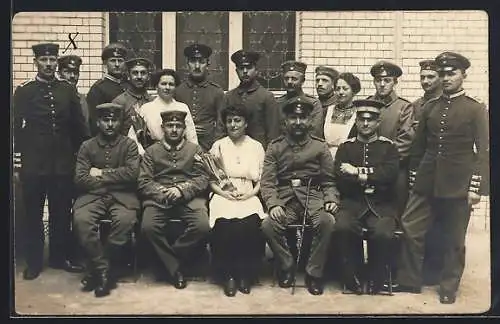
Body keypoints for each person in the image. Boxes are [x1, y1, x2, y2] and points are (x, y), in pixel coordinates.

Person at [394, 52, 489, 304]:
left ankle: (448, 286)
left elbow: (484, 151)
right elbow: (418, 147)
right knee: (411, 225)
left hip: (458, 182)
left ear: (463, 75)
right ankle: (410, 280)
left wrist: (475, 187)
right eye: (443, 74)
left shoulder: (475, 108)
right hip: (427, 179)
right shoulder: (429, 107)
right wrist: (415, 178)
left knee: (454, 237)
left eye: (451, 73)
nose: (446, 78)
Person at [13, 43, 89, 280]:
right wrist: (17, 162)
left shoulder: (67, 90)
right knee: (33, 214)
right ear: (35, 62)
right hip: (34, 164)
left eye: (52, 60)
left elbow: (79, 127)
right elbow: (15, 129)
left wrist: (82, 157)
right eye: (44, 60)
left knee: (61, 212)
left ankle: (59, 257)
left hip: (63, 163)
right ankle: (34, 262)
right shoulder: (24, 91)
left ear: (57, 62)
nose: (48, 64)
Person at [260, 96, 339, 296]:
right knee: (268, 225)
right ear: (285, 121)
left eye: (302, 118)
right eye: (293, 118)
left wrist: (330, 199)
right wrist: (273, 204)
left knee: (327, 222)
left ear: (309, 121)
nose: (297, 122)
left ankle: (314, 272)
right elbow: (268, 182)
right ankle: (287, 265)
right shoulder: (275, 146)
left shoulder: (320, 146)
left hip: (313, 198)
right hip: (286, 200)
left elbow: (329, 181)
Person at [73, 103, 140, 297]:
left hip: (124, 198)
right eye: (106, 120)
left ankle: (97, 270)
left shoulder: (129, 145)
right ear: (98, 122)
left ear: (120, 122)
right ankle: (104, 271)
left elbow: (132, 174)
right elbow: (80, 178)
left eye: (114, 120)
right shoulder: (87, 146)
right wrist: (114, 180)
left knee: (125, 222)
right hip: (92, 197)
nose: (110, 124)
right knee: (82, 221)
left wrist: (100, 173)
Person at [334, 99, 400, 295]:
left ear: (378, 123)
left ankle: (376, 276)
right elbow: (340, 176)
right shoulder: (345, 147)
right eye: (361, 119)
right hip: (352, 203)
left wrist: (357, 172)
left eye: (370, 120)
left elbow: (389, 175)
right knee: (342, 227)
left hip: (382, 205)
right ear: (356, 121)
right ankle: (352, 275)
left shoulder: (388, 147)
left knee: (382, 232)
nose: (365, 124)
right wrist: (372, 175)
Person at [139, 110, 210, 289]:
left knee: (202, 226)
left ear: (184, 129)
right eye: (170, 126)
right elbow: (144, 181)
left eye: (178, 126)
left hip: (188, 198)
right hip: (160, 198)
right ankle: (176, 268)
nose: (174, 130)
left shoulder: (195, 150)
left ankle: (167, 262)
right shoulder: (151, 151)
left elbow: (203, 178)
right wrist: (163, 192)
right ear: (163, 128)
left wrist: (181, 190)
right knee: (148, 227)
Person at [208, 104, 267, 297]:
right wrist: (224, 194)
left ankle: (245, 274)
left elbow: (261, 180)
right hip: (223, 193)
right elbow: (210, 180)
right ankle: (228, 275)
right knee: (225, 225)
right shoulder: (218, 146)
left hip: (248, 194)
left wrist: (251, 195)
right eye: (229, 121)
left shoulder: (256, 146)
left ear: (246, 123)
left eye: (237, 120)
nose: (233, 125)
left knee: (249, 226)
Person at [352, 60, 416, 219]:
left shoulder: (404, 107)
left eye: (387, 80)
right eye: (378, 80)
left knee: (393, 217)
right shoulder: (366, 104)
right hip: (364, 168)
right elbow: (356, 133)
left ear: (395, 82)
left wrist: (383, 164)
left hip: (393, 169)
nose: (382, 84)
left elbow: (406, 141)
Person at [412, 59, 444, 286]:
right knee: (416, 223)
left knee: (440, 224)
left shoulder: (447, 104)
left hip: (445, 173)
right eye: (422, 77)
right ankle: (418, 270)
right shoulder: (416, 105)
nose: (425, 81)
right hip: (420, 169)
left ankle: (436, 272)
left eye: (430, 77)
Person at [223, 49, 280, 149]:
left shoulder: (266, 97)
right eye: (241, 68)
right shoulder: (229, 97)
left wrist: (270, 157)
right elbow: (222, 129)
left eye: (249, 67)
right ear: (236, 71)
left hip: (259, 152)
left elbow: (273, 133)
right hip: (232, 150)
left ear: (256, 70)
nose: (245, 71)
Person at [174, 43, 225, 151]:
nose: (197, 66)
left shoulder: (216, 92)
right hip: (181, 146)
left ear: (207, 64)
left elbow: (221, 124)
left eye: (201, 62)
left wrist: (214, 146)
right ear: (187, 63)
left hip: (208, 146)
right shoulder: (178, 91)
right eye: (193, 61)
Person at [139, 69, 198, 145]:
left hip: (179, 152)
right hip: (154, 152)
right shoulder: (146, 109)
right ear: (156, 86)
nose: (167, 87)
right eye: (163, 84)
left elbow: (191, 137)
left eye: (171, 84)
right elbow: (138, 137)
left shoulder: (182, 108)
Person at [113, 58, 155, 155]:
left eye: (143, 73)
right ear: (128, 76)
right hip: (126, 154)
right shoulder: (119, 102)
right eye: (135, 73)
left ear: (148, 76)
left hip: (151, 155)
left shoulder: (153, 102)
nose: (139, 77)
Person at [86, 43, 129, 136]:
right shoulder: (98, 88)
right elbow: (94, 121)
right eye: (113, 61)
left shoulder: (129, 85)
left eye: (120, 61)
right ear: (105, 63)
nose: (117, 64)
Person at [276, 61, 324, 138]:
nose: (289, 82)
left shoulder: (313, 103)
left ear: (302, 81)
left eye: (294, 79)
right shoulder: (277, 103)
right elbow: (275, 131)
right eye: (286, 78)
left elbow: (315, 132)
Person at [323, 72, 362, 159]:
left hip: (348, 160)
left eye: (345, 88)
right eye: (338, 89)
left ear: (354, 91)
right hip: (325, 159)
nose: (340, 92)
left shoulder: (358, 114)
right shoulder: (327, 111)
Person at [57, 54, 90, 135]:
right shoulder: (53, 98)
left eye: (75, 72)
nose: (72, 76)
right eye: (67, 72)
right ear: (59, 74)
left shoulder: (83, 99)